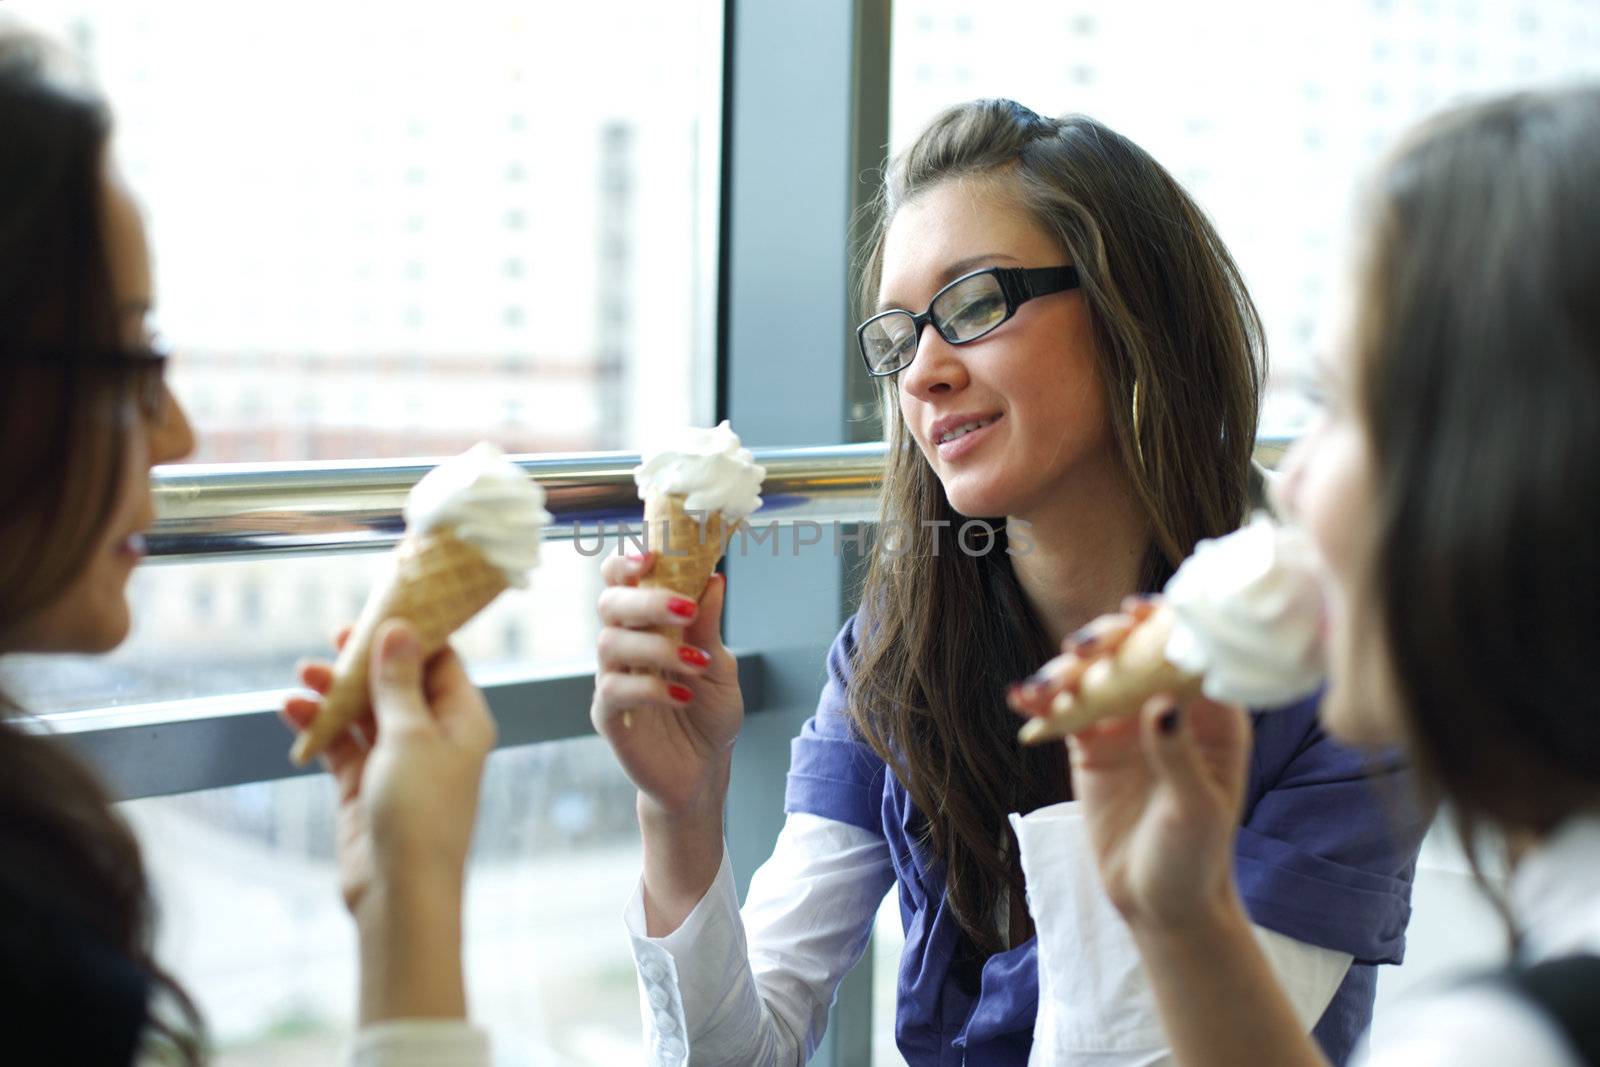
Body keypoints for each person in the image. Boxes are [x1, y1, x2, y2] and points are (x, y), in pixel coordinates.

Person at [590, 98, 1425, 1065]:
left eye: (976, 303)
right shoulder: (895, 649)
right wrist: (680, 808)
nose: (924, 373)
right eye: (898, 337)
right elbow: (741, 1052)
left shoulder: (1341, 658)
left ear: (1128, 311)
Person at [1054, 86, 1600, 1067]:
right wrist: (1185, 918)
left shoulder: (1502, 1040)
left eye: (1339, 402)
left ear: (1516, 466)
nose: (1293, 483)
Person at [0, 20, 493, 1064]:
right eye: (132, 359)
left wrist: (402, 893)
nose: (178, 433)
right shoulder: (31, 952)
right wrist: (419, 916)